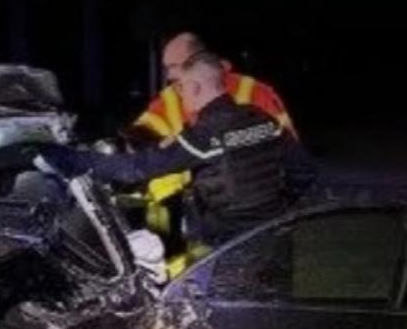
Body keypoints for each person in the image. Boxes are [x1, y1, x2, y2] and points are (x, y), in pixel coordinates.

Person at [45, 51, 315, 248]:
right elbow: (303, 171)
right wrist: (277, 209)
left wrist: (64, 157)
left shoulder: (206, 134)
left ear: (196, 87)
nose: (180, 96)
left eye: (182, 88)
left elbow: (136, 169)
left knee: (222, 317)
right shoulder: (262, 118)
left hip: (233, 245)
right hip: (276, 236)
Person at [132, 31, 296, 142]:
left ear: (197, 63)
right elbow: (140, 136)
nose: (169, 76)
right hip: (193, 190)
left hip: (249, 188)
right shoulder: (169, 100)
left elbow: (288, 143)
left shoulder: (256, 92)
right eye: (166, 68)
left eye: (174, 66)